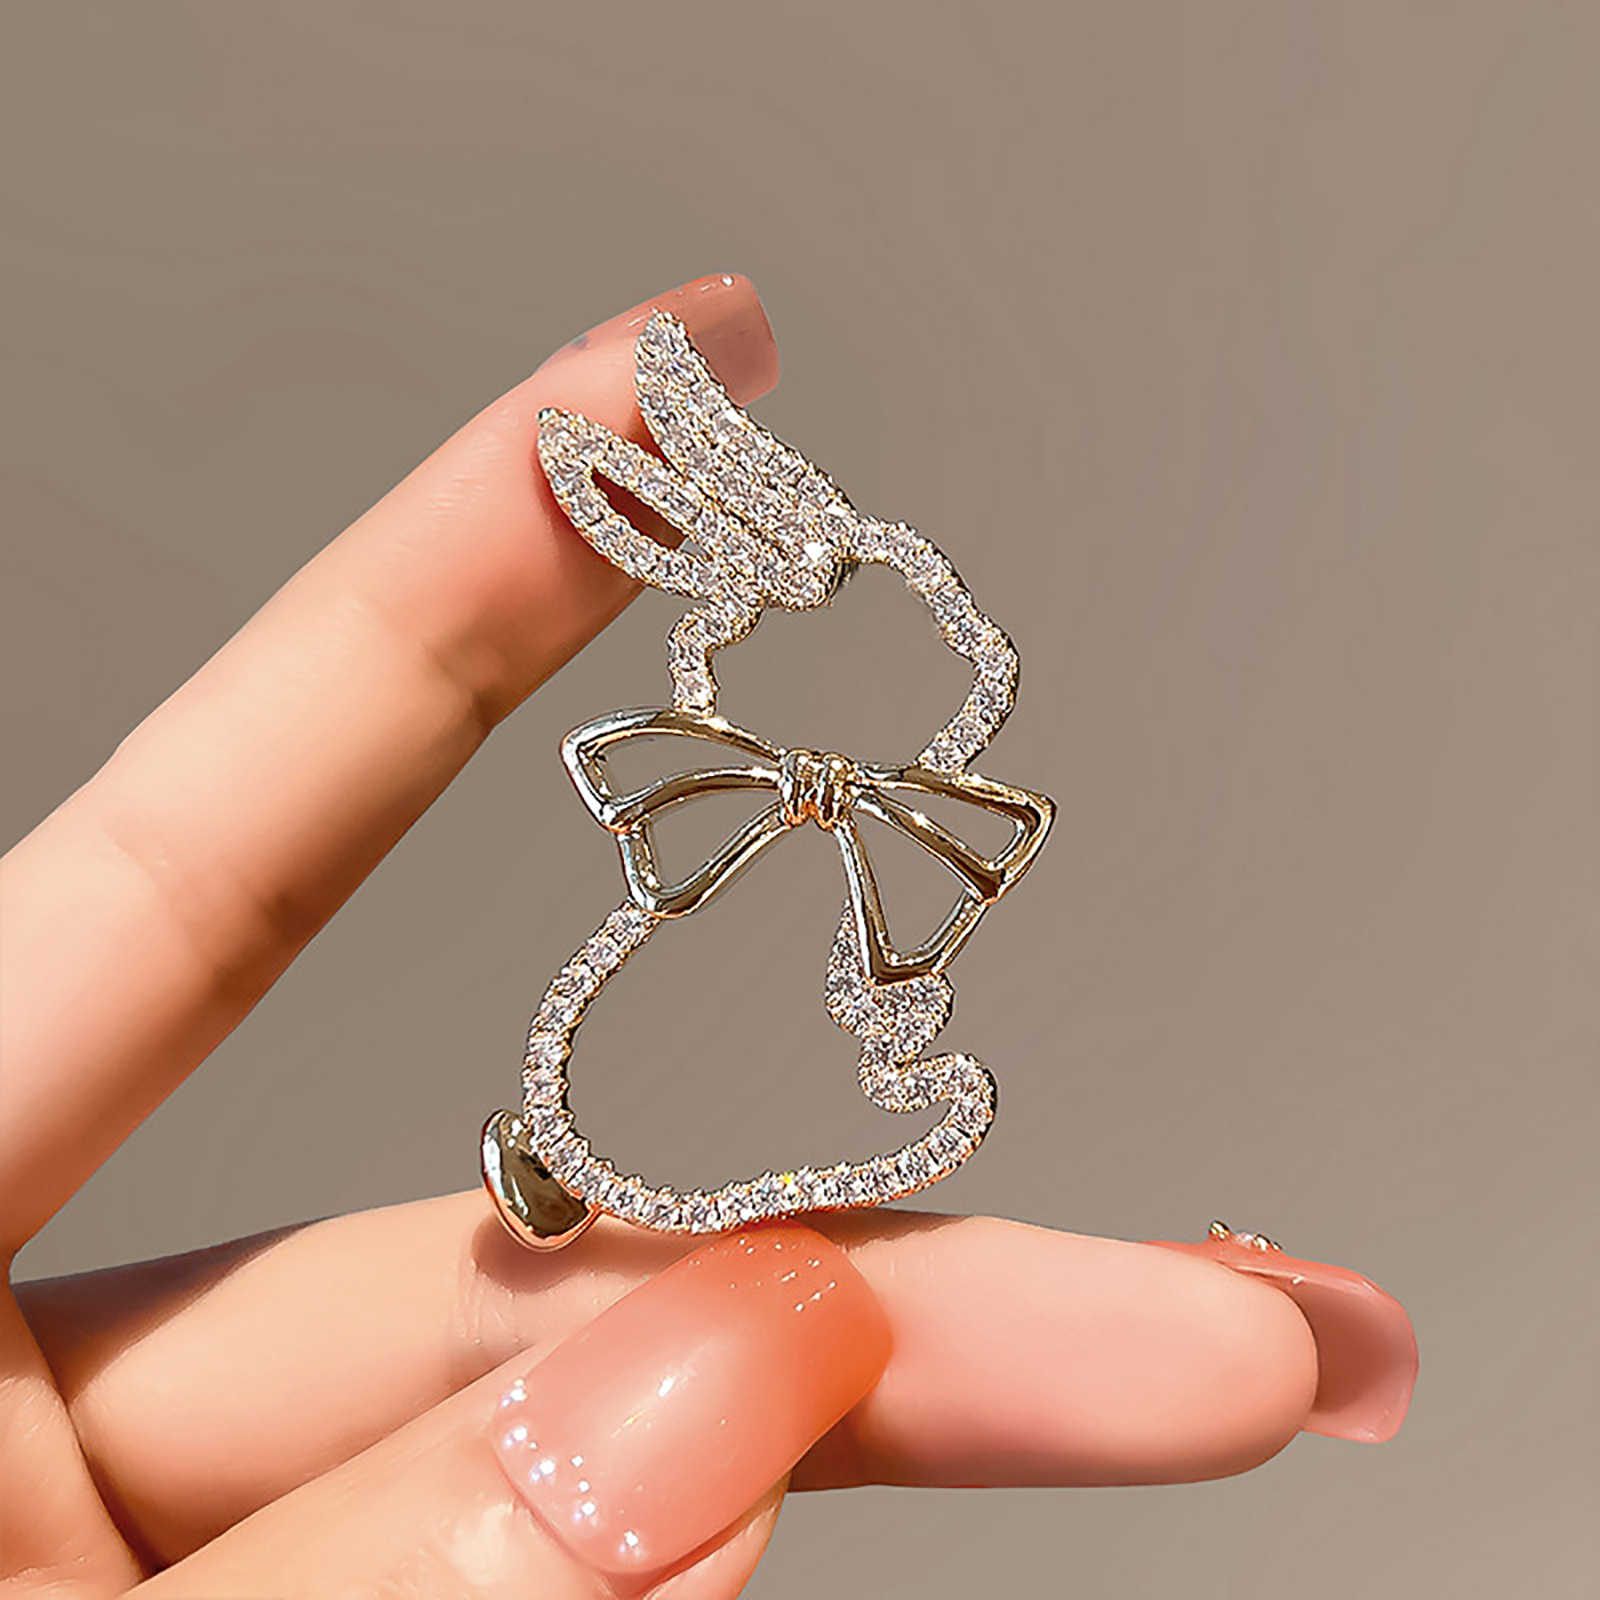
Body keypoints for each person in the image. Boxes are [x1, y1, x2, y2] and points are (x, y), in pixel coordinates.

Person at [0, 273, 1416, 1596]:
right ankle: (584, 1152)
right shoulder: (759, 778)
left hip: (794, 1025)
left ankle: (632, 1147)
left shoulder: (869, 821)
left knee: (828, 1039)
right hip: (680, 1086)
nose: (965, 674)